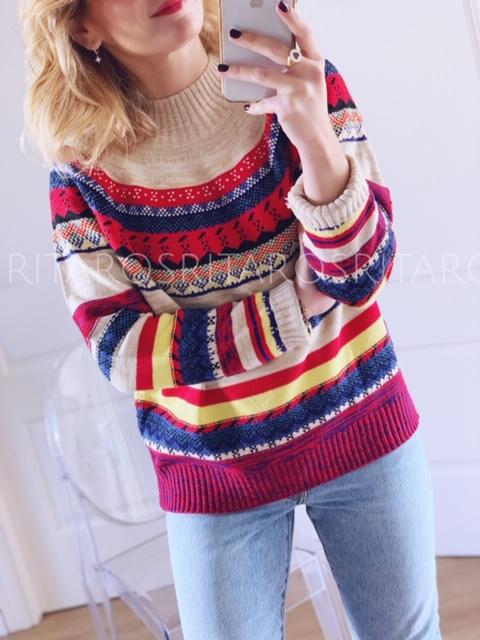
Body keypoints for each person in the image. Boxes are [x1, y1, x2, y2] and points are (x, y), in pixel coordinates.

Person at [19, 0, 442, 638]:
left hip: (362, 426)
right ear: (82, 25)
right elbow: (121, 348)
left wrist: (313, 135)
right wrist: (288, 311)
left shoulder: (298, 84)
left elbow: (361, 274)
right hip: (213, 475)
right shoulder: (82, 172)